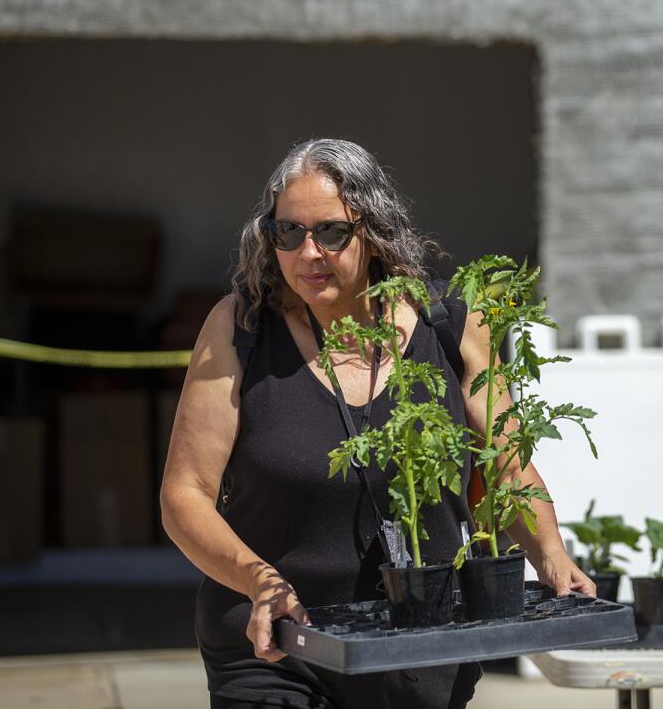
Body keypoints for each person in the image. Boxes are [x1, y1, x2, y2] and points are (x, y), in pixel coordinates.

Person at [160, 139, 594, 709]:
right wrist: (259, 580)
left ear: (376, 230)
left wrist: (551, 555)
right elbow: (183, 494)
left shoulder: (451, 325)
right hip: (277, 647)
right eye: (288, 232)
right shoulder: (240, 328)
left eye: (331, 232)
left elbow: (507, 463)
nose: (307, 252)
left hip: (419, 648)